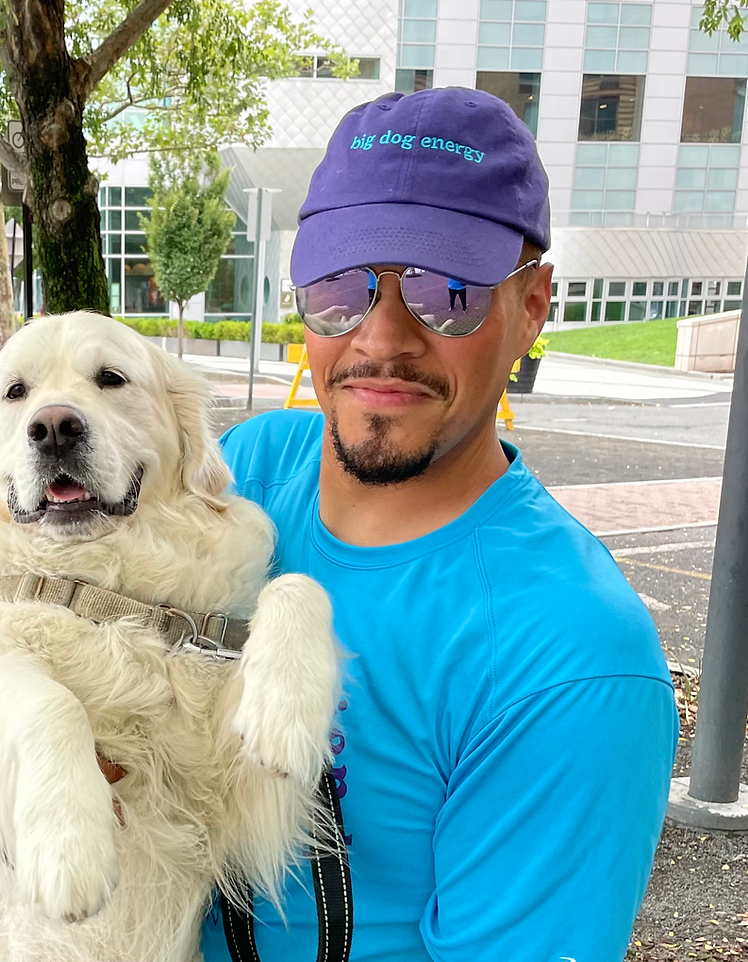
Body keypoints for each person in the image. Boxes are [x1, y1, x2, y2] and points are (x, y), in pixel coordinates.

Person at [199, 88, 678, 962]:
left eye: (447, 292)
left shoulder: (567, 656)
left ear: (532, 306)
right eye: (340, 288)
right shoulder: (245, 473)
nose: (382, 339)